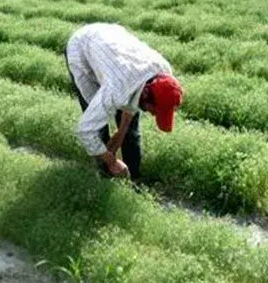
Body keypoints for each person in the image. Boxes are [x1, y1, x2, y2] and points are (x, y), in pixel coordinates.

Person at [65, 23, 184, 180]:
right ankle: (106, 177)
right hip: (82, 48)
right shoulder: (117, 89)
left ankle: (134, 179)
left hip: (112, 45)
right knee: (97, 128)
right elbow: (85, 131)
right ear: (146, 93)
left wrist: (120, 133)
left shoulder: (164, 71)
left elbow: (133, 102)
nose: (154, 114)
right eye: (154, 110)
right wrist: (112, 161)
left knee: (130, 132)